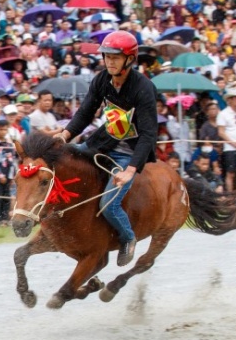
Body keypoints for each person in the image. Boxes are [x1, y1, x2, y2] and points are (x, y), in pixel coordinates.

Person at [54, 30, 158, 266]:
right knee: (65, 158)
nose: (109, 61)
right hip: (101, 143)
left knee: (109, 205)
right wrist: (66, 134)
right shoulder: (101, 80)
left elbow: (149, 135)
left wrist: (130, 170)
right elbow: (85, 112)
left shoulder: (144, 88)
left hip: (128, 154)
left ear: (129, 59)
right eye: (107, 56)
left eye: (115, 56)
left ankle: (128, 238)